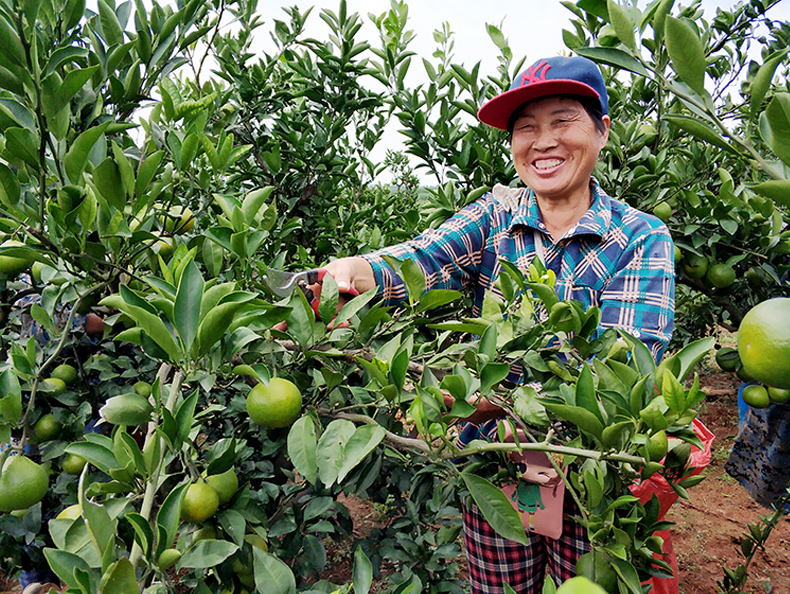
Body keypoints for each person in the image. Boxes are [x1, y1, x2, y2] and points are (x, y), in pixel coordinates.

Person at [313, 55, 676, 593]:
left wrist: (490, 398)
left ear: (601, 131)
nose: (543, 141)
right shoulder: (497, 216)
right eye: (526, 128)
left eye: (562, 121)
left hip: (590, 475)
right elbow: (424, 257)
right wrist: (354, 273)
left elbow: (616, 374)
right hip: (494, 468)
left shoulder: (641, 238)